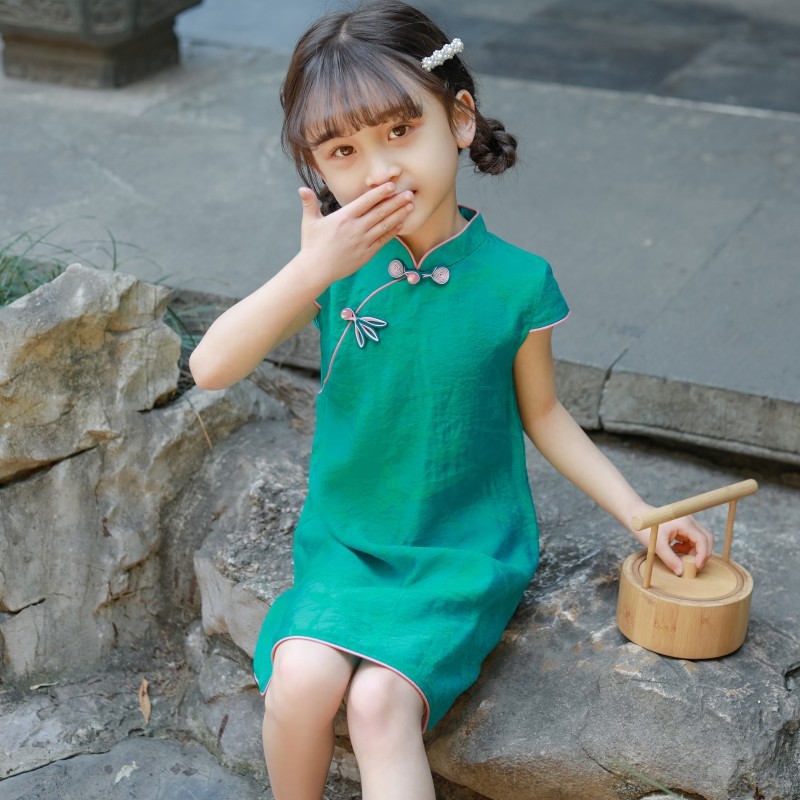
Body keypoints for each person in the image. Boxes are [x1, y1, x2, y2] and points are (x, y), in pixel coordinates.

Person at [189, 3, 714, 798]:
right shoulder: (335, 269)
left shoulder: (517, 281)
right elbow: (210, 366)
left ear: (459, 118)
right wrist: (311, 271)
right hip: (349, 538)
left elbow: (544, 414)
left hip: (464, 548)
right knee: (300, 678)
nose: (379, 170)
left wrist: (642, 515)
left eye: (400, 131)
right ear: (317, 168)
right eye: (343, 151)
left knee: (379, 704)